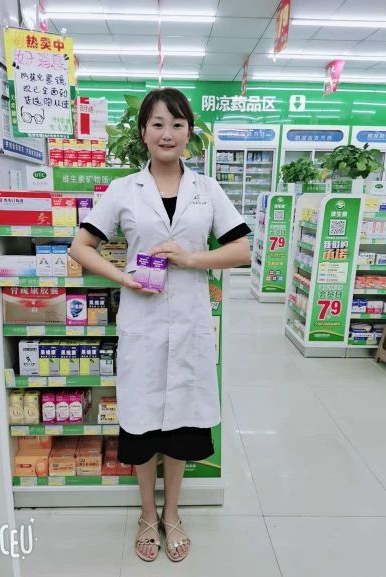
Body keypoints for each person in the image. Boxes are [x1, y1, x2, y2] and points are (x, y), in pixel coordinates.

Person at [70, 87, 251, 562]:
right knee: (143, 425)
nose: (167, 133)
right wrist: (124, 277)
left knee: (181, 427)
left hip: (189, 323)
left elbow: (241, 250)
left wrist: (190, 258)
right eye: (157, 124)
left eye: (177, 124)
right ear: (143, 132)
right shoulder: (123, 190)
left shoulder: (206, 189)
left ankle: (173, 512)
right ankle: (148, 514)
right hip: (143, 323)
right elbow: (80, 247)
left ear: (189, 132)